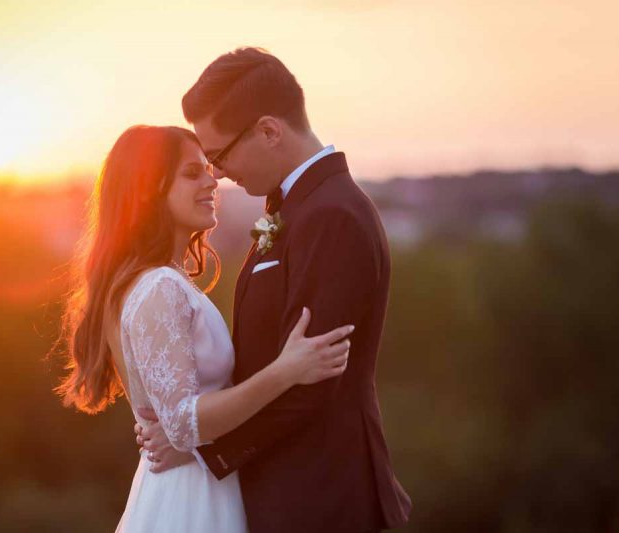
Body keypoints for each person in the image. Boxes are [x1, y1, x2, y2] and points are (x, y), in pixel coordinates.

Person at [136, 48, 412, 532]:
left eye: (219, 155)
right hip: (286, 495)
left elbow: (312, 384)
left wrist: (199, 446)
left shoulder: (333, 216)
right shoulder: (298, 208)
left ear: (268, 130)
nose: (217, 174)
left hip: (321, 500)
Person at [55, 124, 354, 532]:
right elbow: (180, 423)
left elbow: (174, 418)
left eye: (208, 170)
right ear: (147, 190)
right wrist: (286, 372)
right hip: (192, 499)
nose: (211, 181)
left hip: (198, 480)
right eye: (192, 173)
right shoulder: (159, 286)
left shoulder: (156, 281)